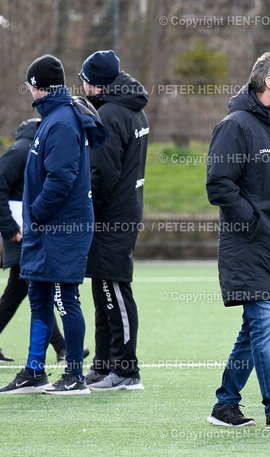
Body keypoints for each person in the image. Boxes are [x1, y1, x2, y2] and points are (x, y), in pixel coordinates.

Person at [206, 52, 270, 429]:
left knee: (254, 330)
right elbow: (219, 184)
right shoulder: (235, 126)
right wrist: (252, 221)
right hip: (249, 247)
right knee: (267, 324)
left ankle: (225, 405)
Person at [0, 54, 107, 395]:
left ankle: (75, 374)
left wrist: (38, 213)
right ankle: (35, 370)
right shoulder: (53, 117)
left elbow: (62, 178)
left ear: (38, 87)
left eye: (31, 85)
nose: (29, 91)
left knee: (65, 298)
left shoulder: (60, 121)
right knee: (39, 296)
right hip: (47, 228)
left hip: (62, 228)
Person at [78, 50, 148, 391]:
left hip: (111, 215)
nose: (84, 87)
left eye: (86, 81)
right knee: (102, 287)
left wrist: (89, 207)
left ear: (97, 83)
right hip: (124, 210)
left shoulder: (109, 114)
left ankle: (126, 370)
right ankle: (104, 365)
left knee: (114, 288)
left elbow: (103, 173)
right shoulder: (131, 108)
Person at [0, 118, 72, 363]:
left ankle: (62, 348)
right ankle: (63, 348)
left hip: (25, 230)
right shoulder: (22, 150)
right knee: (35, 287)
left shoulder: (32, 148)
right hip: (19, 232)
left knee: (22, 289)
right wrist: (9, 228)